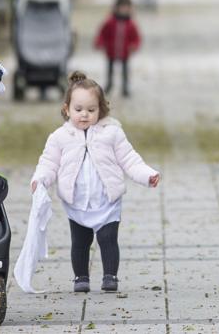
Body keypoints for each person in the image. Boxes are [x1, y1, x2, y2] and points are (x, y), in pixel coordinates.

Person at [31, 72, 159, 293]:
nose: (84, 115)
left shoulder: (112, 133)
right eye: (78, 109)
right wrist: (40, 180)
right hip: (77, 201)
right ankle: (81, 277)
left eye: (91, 110)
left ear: (101, 109)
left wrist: (147, 175)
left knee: (108, 239)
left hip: (106, 199)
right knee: (80, 241)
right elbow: (49, 163)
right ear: (66, 109)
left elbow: (129, 159)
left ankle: (110, 275)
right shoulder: (60, 137)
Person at [93, 0, 141, 97]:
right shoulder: (110, 22)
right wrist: (100, 43)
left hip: (125, 52)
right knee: (110, 69)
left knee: (125, 70)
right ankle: (109, 84)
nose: (124, 10)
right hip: (111, 51)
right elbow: (102, 33)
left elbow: (136, 38)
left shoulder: (131, 24)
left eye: (126, 8)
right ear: (117, 8)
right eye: (122, 8)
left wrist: (134, 46)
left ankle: (125, 86)